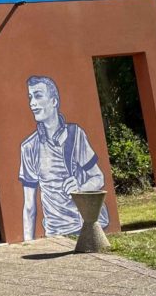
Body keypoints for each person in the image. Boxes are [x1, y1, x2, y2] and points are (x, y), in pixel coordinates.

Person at [19, 76, 109, 240]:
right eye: (30, 97)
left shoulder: (75, 135)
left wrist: (81, 188)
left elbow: (98, 178)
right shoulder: (29, 147)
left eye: (38, 96)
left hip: (86, 228)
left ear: (54, 101)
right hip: (55, 233)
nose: (32, 103)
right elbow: (29, 205)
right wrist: (28, 244)